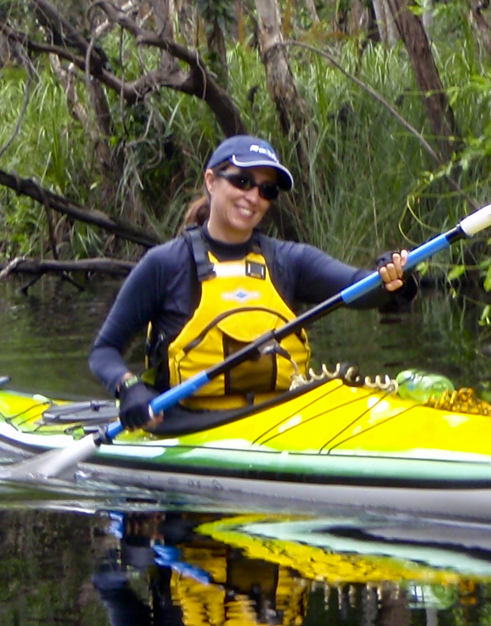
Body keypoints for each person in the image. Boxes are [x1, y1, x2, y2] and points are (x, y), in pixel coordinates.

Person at [88, 133, 414, 432]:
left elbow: (361, 289)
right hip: (187, 426)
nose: (253, 196)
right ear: (211, 181)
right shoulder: (165, 264)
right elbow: (104, 351)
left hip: (281, 419)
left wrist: (392, 275)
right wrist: (128, 386)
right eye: (242, 181)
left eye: (266, 190)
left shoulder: (290, 260)